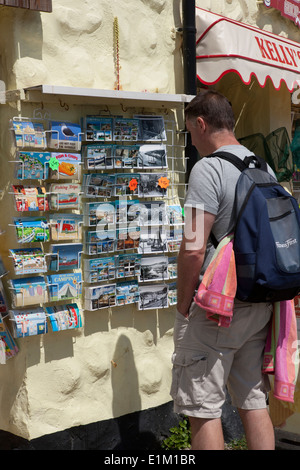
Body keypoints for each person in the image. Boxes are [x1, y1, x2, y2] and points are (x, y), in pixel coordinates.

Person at [171, 89, 275, 450]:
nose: (193, 140)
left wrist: (184, 307)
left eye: (190, 131)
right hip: (259, 304)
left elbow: (193, 247)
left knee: (202, 408)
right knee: (253, 400)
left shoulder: (208, 168)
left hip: (217, 309)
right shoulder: (263, 166)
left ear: (201, 124)